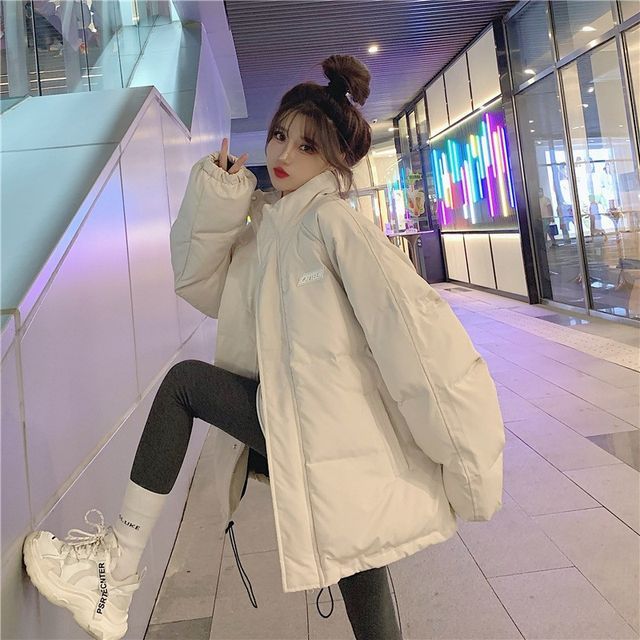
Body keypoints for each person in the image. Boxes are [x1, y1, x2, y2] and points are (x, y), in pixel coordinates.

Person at [22, 55, 504, 640]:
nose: (282, 154)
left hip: (327, 425)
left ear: (335, 162)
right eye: (279, 135)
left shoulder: (333, 224)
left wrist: (465, 458)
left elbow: (412, 336)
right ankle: (113, 579)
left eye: (306, 146)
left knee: (185, 387)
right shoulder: (273, 228)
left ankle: (115, 572)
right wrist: (220, 198)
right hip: (298, 418)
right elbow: (203, 286)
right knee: (358, 555)